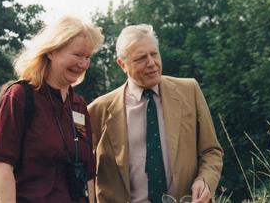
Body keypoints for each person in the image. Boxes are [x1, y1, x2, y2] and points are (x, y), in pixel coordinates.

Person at [88, 24, 223, 203]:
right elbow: (87, 171)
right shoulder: (98, 110)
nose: (151, 63)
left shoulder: (189, 90)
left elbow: (211, 150)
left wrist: (204, 180)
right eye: (141, 58)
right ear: (122, 64)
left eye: (154, 54)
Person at [0, 16, 104, 203]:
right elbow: (2, 165)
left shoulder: (79, 106)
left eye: (87, 57)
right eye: (76, 55)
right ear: (51, 52)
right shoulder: (19, 96)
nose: (83, 64)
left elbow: (88, 176)